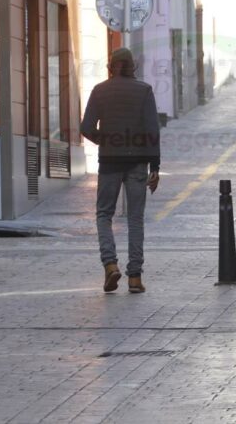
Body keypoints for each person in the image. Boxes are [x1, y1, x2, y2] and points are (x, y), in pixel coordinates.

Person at [80, 47, 160, 294]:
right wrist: (155, 167)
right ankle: (134, 278)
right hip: (138, 162)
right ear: (132, 66)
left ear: (110, 66)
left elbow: (85, 127)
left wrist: (104, 140)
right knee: (135, 219)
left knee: (104, 215)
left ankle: (110, 264)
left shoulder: (100, 90)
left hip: (109, 162)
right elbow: (152, 131)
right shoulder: (144, 90)